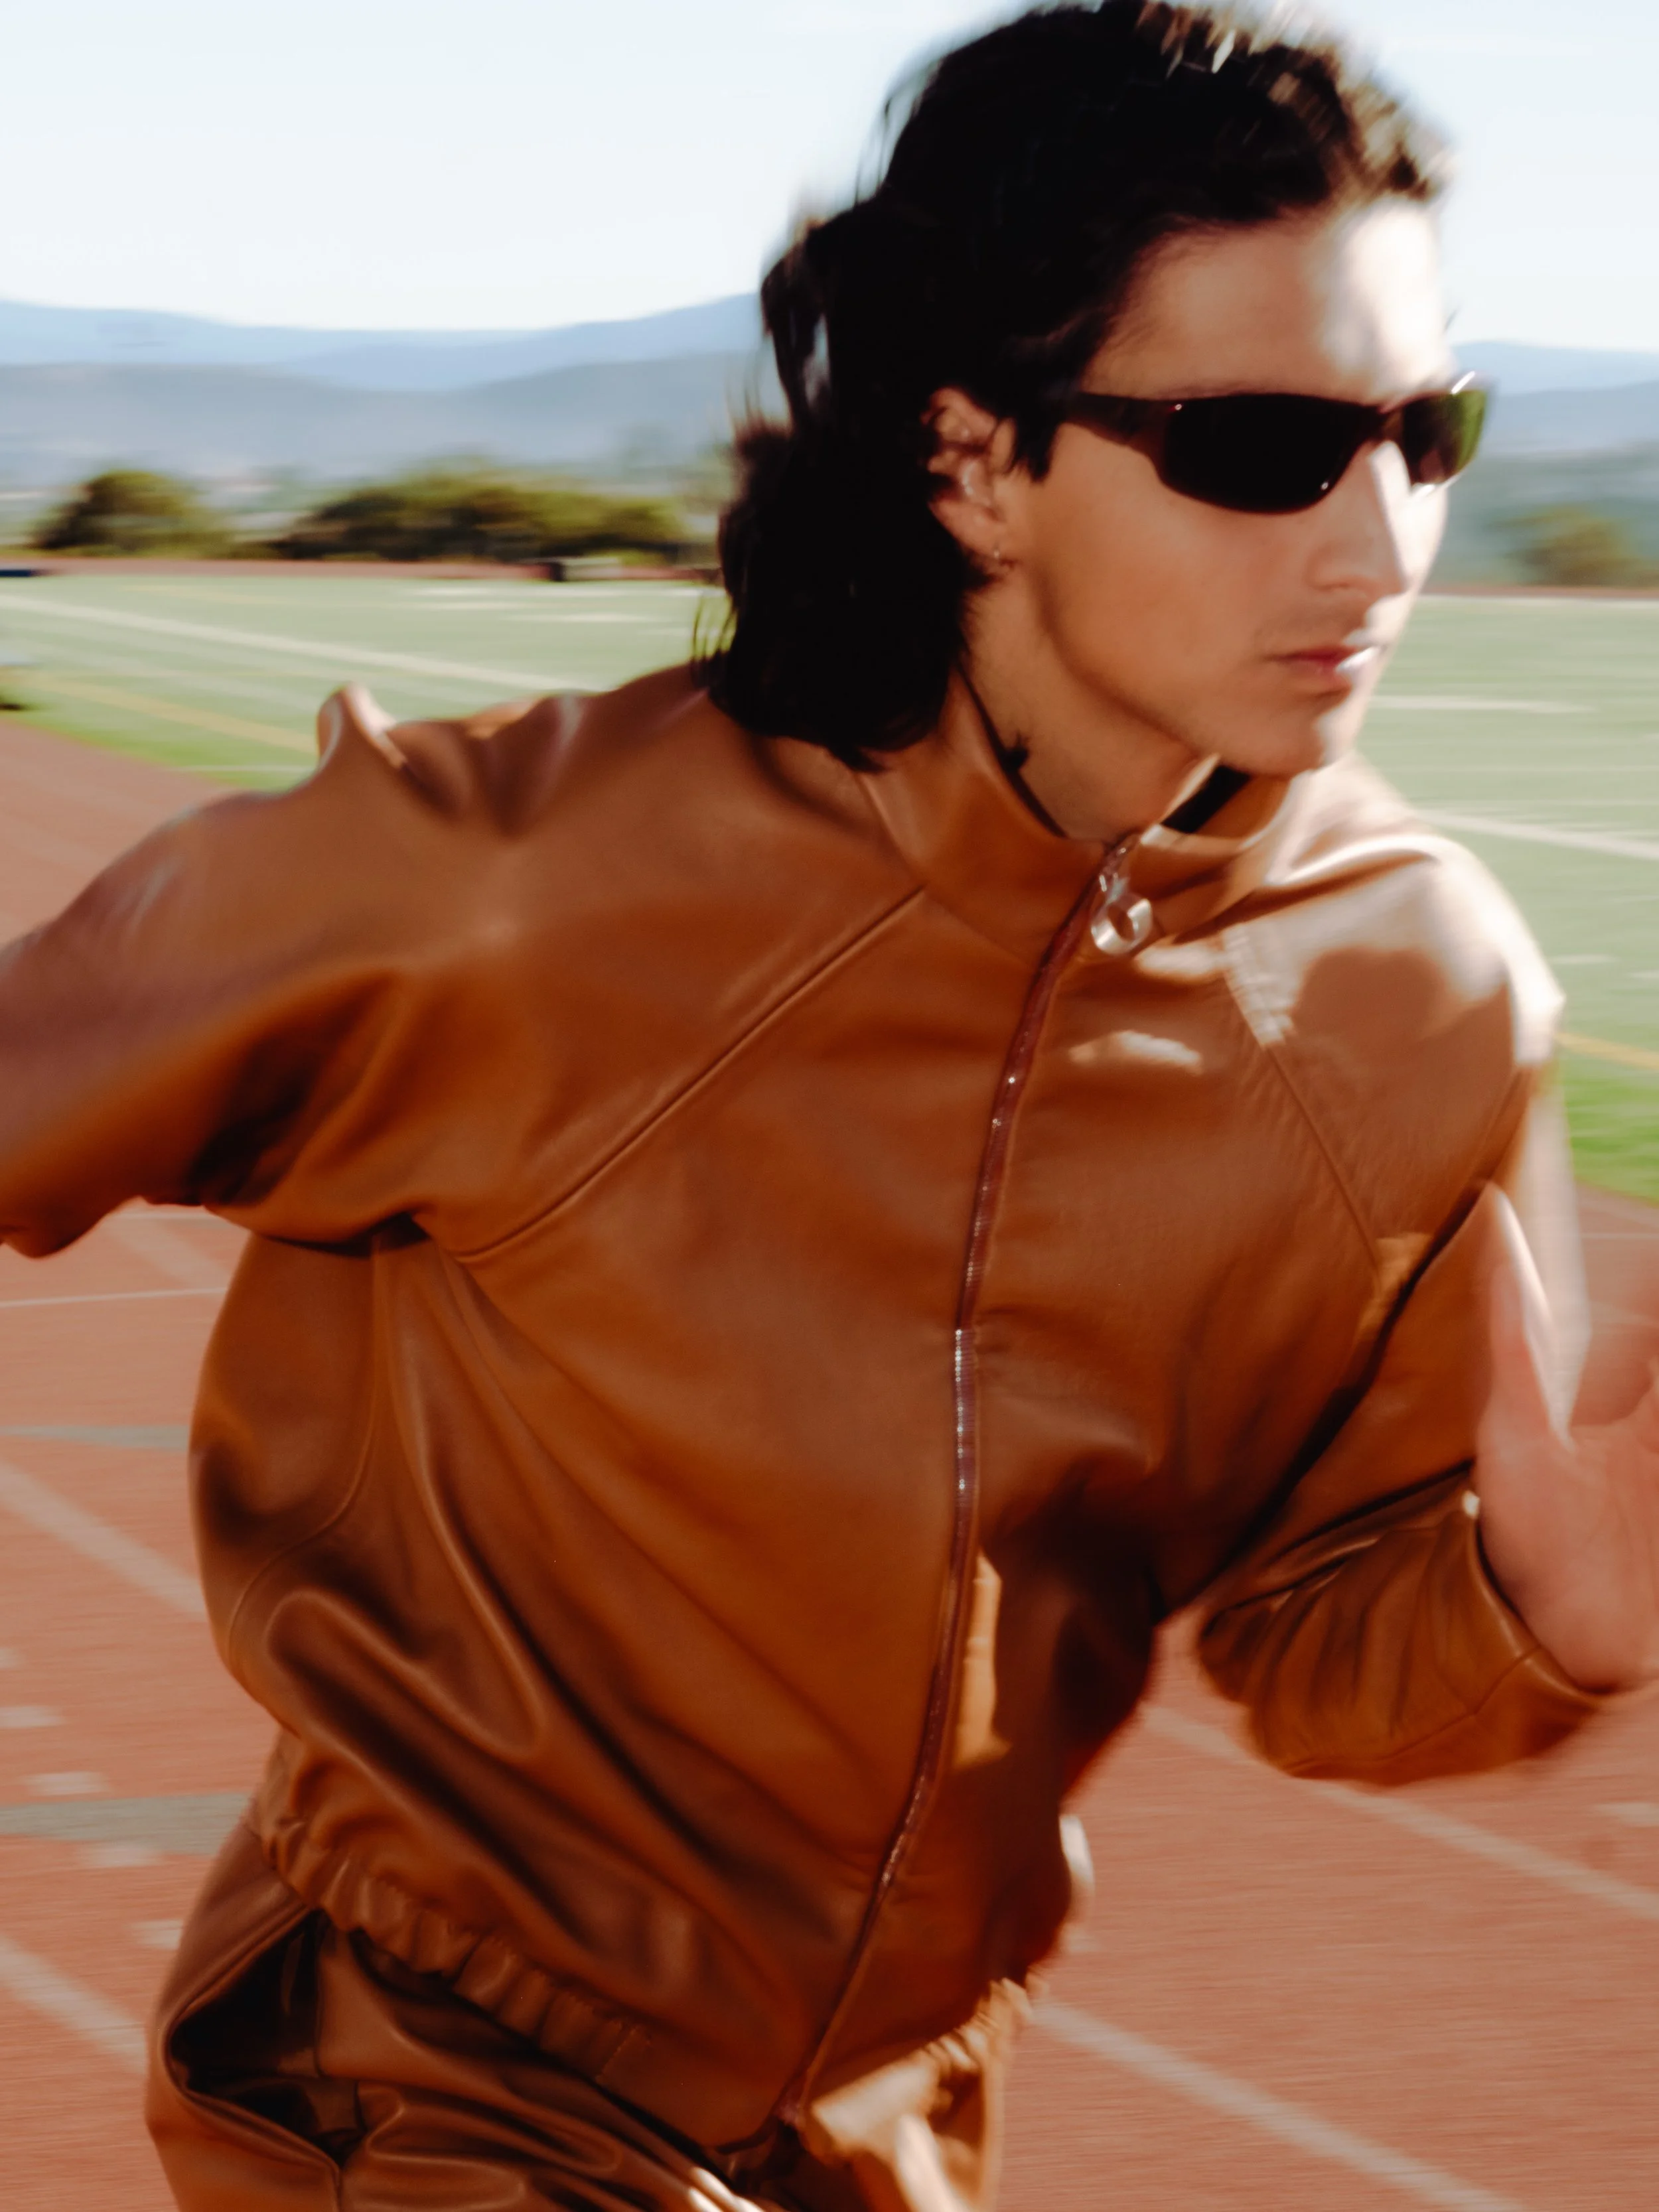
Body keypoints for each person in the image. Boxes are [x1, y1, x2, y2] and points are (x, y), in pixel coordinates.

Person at [2, 5, 1656, 2206]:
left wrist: (1551, 1596)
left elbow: (1323, 1641)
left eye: (1419, 431)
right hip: (424, 2087)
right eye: (1259, 449)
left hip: (883, 2138)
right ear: (970, 458)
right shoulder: (513, 887)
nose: (1375, 546)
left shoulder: (1411, 985)